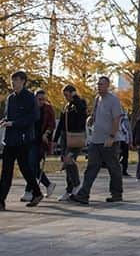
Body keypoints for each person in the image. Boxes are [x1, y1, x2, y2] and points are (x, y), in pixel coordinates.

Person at [0, 71, 44, 212]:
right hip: (10, 139)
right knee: (6, 170)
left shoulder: (30, 98)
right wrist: (5, 121)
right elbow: (8, 115)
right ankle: (0, 200)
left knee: (25, 168)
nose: (13, 83)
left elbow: (34, 117)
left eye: (16, 80)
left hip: (23, 139)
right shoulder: (10, 98)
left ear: (23, 81)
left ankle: (36, 192)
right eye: (12, 80)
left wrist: (15, 123)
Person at [71, 76, 125, 205]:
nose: (98, 86)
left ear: (108, 86)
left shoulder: (114, 100)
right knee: (91, 167)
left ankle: (116, 194)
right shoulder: (97, 99)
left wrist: (112, 137)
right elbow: (95, 113)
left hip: (109, 141)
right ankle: (84, 195)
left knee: (113, 168)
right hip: (96, 140)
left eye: (101, 84)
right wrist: (91, 118)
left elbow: (116, 119)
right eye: (98, 84)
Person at [55, 84, 89, 200]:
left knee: (69, 160)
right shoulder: (66, 106)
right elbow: (61, 123)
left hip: (76, 136)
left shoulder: (80, 103)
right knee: (65, 162)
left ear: (72, 93)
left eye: (67, 95)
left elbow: (82, 113)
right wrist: (55, 139)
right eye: (64, 95)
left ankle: (76, 184)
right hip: (66, 136)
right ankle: (69, 189)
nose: (66, 97)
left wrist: (75, 98)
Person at [22, 89, 56, 200]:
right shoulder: (30, 109)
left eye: (43, 99)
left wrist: (46, 134)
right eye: (39, 99)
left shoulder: (48, 109)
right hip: (29, 140)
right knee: (33, 167)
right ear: (35, 98)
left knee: (32, 166)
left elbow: (52, 125)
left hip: (40, 142)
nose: (41, 101)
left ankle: (29, 191)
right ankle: (48, 185)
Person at [116, 111, 131, 176]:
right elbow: (129, 131)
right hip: (122, 140)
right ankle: (122, 170)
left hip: (121, 140)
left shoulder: (118, 120)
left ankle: (121, 170)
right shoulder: (125, 121)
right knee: (124, 156)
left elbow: (129, 131)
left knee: (121, 156)